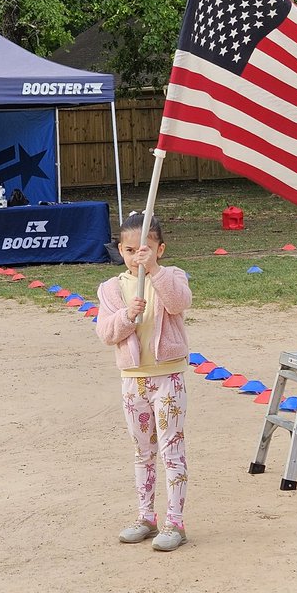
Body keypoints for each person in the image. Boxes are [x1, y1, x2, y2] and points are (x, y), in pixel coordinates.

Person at [96, 211, 192, 552]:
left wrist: (154, 273)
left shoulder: (172, 276)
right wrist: (127, 315)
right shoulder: (111, 289)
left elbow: (180, 303)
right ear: (120, 250)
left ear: (159, 249)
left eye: (145, 250)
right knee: (143, 451)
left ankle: (175, 522)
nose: (138, 256)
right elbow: (106, 333)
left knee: (171, 450)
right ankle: (145, 516)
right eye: (130, 250)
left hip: (167, 377)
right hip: (133, 381)